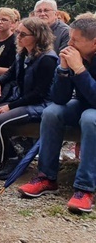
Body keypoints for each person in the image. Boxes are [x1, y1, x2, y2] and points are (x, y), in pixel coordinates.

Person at [18, 15, 96, 213]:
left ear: (94, 42)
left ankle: (85, 189)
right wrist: (63, 69)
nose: (69, 44)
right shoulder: (73, 56)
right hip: (82, 102)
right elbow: (59, 99)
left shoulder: (81, 62)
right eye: (69, 39)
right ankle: (46, 177)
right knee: (52, 112)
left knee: (90, 119)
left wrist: (79, 70)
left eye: (75, 40)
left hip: (92, 108)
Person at [0, 17, 56, 179]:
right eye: (18, 33)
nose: (18, 37)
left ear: (37, 36)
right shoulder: (23, 53)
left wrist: (11, 106)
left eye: (22, 34)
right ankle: (11, 156)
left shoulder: (47, 59)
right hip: (23, 99)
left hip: (40, 104)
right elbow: (11, 73)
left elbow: (39, 93)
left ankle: (1, 160)